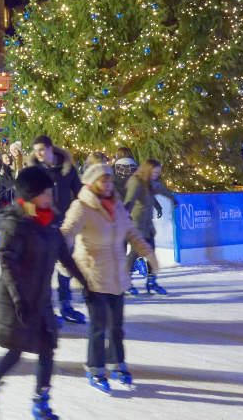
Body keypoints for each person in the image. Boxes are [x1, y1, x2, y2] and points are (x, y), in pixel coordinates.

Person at [0, 166, 74, 420]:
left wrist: (86, 283)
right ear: (32, 194)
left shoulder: (49, 220)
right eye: (45, 192)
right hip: (16, 298)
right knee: (15, 350)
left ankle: (40, 402)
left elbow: (64, 254)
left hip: (40, 297)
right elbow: (7, 262)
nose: (50, 196)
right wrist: (19, 299)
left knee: (47, 349)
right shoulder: (15, 221)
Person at [61, 162, 158, 395]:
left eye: (109, 180)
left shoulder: (116, 204)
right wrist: (61, 261)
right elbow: (66, 233)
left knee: (116, 326)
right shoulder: (82, 206)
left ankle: (117, 364)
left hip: (116, 274)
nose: (107, 185)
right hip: (93, 275)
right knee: (98, 326)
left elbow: (131, 232)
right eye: (103, 180)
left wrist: (148, 253)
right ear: (92, 182)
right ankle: (95, 368)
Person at [26, 135, 84, 324]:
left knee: (65, 268)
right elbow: (25, 198)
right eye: (36, 151)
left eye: (42, 149)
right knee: (45, 268)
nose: (39, 154)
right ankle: (45, 309)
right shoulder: (33, 172)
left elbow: (80, 194)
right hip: (41, 227)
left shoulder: (67, 169)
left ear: (51, 149)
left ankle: (65, 305)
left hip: (65, 226)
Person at [122, 159, 176, 295]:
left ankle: (152, 281)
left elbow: (162, 190)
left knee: (151, 252)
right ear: (147, 170)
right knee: (134, 253)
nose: (156, 175)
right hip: (136, 224)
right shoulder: (137, 181)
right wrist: (124, 214)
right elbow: (130, 199)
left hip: (148, 225)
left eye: (158, 172)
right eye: (154, 172)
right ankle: (125, 281)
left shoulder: (151, 183)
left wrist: (173, 199)